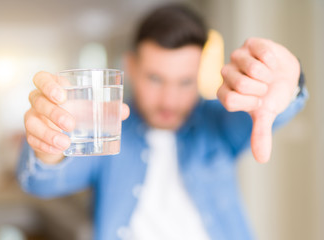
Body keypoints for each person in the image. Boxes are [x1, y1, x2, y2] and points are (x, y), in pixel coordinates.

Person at [17, 4, 308, 240]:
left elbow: (273, 110)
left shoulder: (217, 123)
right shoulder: (106, 127)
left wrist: (290, 84)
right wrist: (48, 147)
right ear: (130, 66)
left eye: (184, 82)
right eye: (156, 79)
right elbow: (40, 183)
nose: (169, 100)